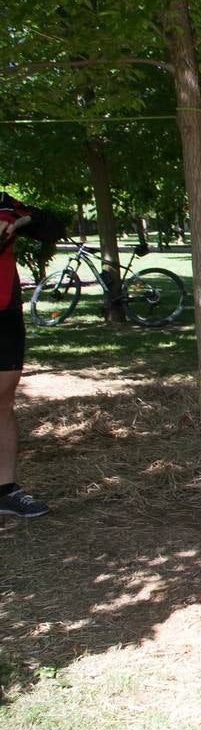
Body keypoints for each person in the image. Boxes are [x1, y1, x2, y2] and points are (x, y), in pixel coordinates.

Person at [1, 192, 64, 519]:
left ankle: (5, 489)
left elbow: (53, 228)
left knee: (4, 399)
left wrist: (23, 222)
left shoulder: (4, 204)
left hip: (4, 311)